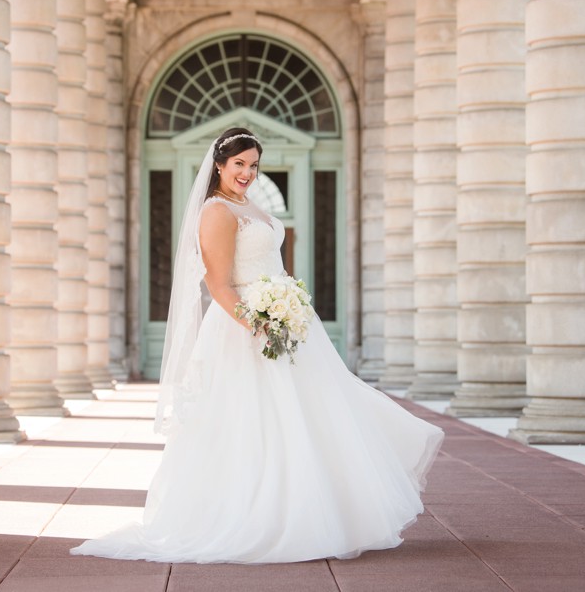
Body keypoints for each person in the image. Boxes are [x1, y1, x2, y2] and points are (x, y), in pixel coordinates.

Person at [70, 127, 443, 564]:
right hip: (244, 330)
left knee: (313, 415)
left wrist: (288, 308)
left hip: (286, 323)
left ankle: (316, 514)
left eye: (253, 165)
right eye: (239, 164)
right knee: (255, 422)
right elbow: (219, 282)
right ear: (220, 166)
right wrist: (259, 324)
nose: (247, 172)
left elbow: (270, 264)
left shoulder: (251, 206)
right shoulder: (216, 211)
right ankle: (258, 518)